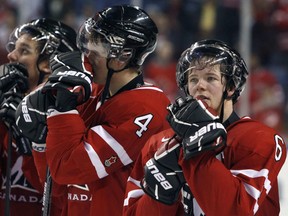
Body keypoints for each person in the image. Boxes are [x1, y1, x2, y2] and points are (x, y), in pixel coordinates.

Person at [16, 4, 171, 216]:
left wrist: (62, 109)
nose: (86, 56)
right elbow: (57, 187)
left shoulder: (148, 107)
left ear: (122, 56)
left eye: (95, 49)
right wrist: (41, 141)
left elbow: (68, 168)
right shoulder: (91, 92)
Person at [123, 39, 287, 215]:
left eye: (211, 78)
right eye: (193, 79)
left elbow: (236, 211)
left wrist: (197, 152)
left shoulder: (257, 138)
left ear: (231, 87)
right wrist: (160, 195)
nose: (199, 86)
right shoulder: (159, 144)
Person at [0, 18, 78, 216]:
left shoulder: (68, 117)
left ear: (48, 65)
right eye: (14, 48)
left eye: (24, 51)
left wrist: (28, 137)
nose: (11, 55)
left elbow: (57, 197)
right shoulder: (5, 101)